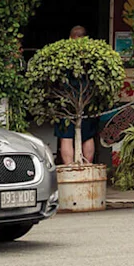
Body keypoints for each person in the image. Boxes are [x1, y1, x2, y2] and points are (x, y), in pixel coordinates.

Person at [56, 25, 99, 165]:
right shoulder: (95, 55)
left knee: (66, 137)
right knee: (87, 136)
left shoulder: (62, 55)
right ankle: (88, 167)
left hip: (67, 102)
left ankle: (70, 170)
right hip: (87, 100)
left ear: (70, 38)